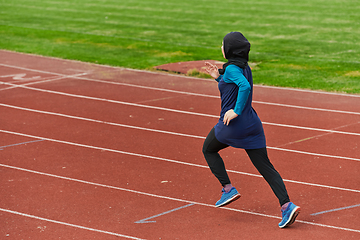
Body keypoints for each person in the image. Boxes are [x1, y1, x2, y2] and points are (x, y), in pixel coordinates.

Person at [203, 31, 300, 228]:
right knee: (266, 167)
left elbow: (244, 87)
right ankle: (287, 206)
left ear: (228, 50)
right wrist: (217, 77)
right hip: (253, 126)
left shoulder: (232, 70)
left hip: (233, 126)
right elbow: (234, 85)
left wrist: (235, 111)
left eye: (223, 45)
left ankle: (228, 188)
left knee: (208, 149)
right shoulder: (243, 67)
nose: (221, 48)